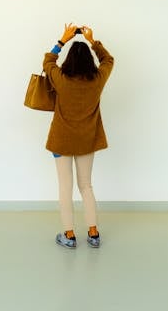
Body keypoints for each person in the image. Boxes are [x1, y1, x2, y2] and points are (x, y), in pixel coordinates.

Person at [43, 23, 114, 249]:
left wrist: (62, 41)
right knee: (86, 186)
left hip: (61, 140)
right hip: (87, 140)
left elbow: (47, 62)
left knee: (65, 188)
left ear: (69, 60)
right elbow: (108, 60)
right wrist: (93, 41)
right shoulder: (97, 79)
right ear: (89, 61)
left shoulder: (60, 78)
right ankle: (93, 233)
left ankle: (69, 236)